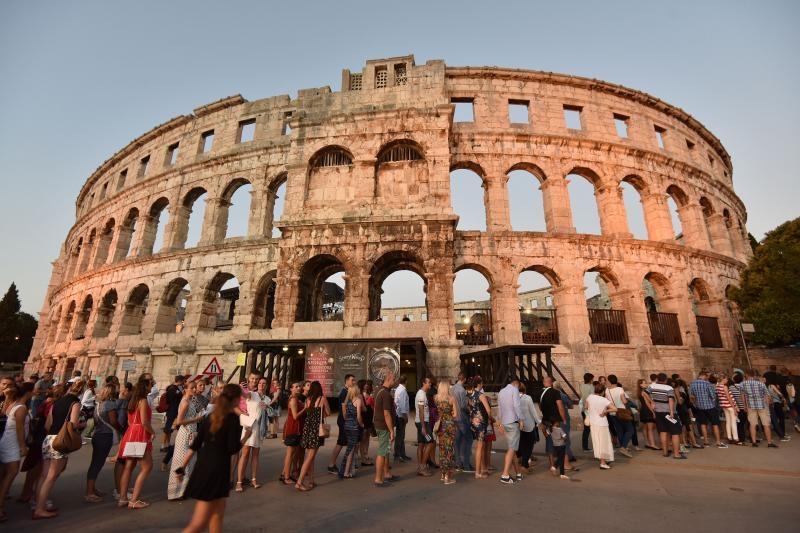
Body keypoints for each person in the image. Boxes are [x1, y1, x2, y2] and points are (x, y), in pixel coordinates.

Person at [178, 384, 251, 533]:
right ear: (237, 399)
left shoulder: (210, 417)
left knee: (217, 515)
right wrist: (246, 437)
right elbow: (232, 449)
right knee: (198, 523)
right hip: (216, 472)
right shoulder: (231, 420)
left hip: (205, 467)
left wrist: (181, 467)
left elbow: (195, 445)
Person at [33, 379, 85, 520]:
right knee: (52, 476)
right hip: (60, 440)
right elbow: (72, 425)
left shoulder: (57, 402)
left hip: (48, 438)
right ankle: (40, 509)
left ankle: (39, 504)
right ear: (81, 391)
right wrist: (81, 425)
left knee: (44, 475)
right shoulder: (75, 404)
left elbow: (48, 424)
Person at [117, 375, 156, 509]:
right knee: (147, 467)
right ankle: (134, 500)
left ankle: (122, 498)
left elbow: (129, 420)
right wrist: (152, 432)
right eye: (151, 383)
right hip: (139, 433)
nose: (152, 386)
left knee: (129, 466)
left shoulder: (133, 399)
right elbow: (145, 421)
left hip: (131, 432)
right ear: (145, 386)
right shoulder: (143, 401)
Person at [85, 383, 121, 503]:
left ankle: (92, 488)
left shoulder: (99, 404)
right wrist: (121, 430)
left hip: (97, 434)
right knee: (97, 463)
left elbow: (95, 421)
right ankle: (89, 492)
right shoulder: (110, 404)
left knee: (95, 462)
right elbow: (113, 421)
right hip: (105, 436)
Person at [168, 381, 203, 500]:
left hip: (191, 432)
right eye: (191, 388)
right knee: (181, 461)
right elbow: (179, 421)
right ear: (186, 389)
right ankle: (176, 492)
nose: (194, 390)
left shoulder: (190, 401)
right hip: (185, 434)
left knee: (189, 462)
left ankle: (183, 490)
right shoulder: (184, 402)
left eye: (194, 388)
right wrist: (195, 419)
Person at [0, 383, 29, 522]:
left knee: (5, 473)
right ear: (27, 393)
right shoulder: (21, 407)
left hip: (6, 440)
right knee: (11, 473)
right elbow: (20, 429)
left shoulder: (12, 404)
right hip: (12, 443)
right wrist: (23, 446)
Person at [295, 381, 330, 491]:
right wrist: (321, 414)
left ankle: (311, 480)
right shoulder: (322, 399)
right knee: (310, 457)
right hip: (316, 430)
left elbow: (307, 412)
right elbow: (328, 412)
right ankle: (299, 482)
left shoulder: (308, 399)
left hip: (308, 429)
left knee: (311, 456)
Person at [236, 375, 269, 491]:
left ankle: (253, 479)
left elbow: (270, 412)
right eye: (260, 383)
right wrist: (240, 388)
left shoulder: (267, 399)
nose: (261, 385)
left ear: (266, 385)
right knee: (244, 454)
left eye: (264, 383)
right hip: (249, 426)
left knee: (256, 455)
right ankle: (239, 482)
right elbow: (244, 395)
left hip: (259, 429)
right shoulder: (252, 394)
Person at [647, 373, 685, 459]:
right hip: (668, 412)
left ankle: (665, 452)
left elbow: (644, 393)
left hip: (658, 412)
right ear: (665, 380)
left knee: (663, 432)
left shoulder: (652, 386)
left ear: (657, 379)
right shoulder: (669, 388)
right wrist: (671, 412)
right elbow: (670, 400)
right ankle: (676, 454)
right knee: (675, 433)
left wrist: (652, 402)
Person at [539, 376, 572, 472]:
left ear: (544, 383)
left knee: (549, 442)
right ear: (551, 383)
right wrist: (564, 419)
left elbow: (540, 407)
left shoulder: (540, 393)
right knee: (562, 440)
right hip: (555, 421)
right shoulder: (556, 392)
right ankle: (566, 464)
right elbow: (560, 406)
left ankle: (551, 465)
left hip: (546, 420)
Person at [327, 374, 356, 473]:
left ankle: (347, 464)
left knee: (343, 442)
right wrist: (347, 420)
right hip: (344, 421)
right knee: (341, 442)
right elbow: (344, 408)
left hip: (345, 421)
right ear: (347, 381)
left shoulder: (347, 391)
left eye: (354, 380)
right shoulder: (344, 392)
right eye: (352, 380)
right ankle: (332, 464)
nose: (354, 382)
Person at [689, 371, 726, 448]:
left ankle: (706, 441)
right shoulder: (707, 384)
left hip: (700, 407)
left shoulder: (692, 384)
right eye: (706, 376)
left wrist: (696, 404)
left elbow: (691, 396)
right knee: (715, 424)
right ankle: (718, 442)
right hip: (710, 406)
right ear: (704, 376)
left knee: (703, 424)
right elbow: (713, 396)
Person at [497, 378, 524, 484]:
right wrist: (521, 419)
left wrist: (499, 422)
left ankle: (518, 473)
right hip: (513, 421)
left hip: (504, 421)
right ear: (516, 384)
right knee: (512, 448)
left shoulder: (501, 391)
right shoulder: (514, 390)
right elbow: (517, 406)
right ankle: (505, 475)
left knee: (511, 449)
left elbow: (499, 408)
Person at [373, 372, 396, 487]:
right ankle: (378, 478)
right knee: (382, 452)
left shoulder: (378, 390)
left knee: (386, 450)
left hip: (379, 424)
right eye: (393, 380)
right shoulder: (386, 394)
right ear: (388, 379)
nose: (395, 382)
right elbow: (386, 413)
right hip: (383, 426)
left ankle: (387, 474)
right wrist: (391, 430)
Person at [741, 369, 776, 447]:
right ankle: (769, 442)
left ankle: (754, 442)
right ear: (754, 375)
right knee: (766, 424)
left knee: (752, 424)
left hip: (751, 406)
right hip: (762, 406)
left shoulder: (743, 384)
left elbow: (743, 396)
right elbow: (766, 396)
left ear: (746, 375)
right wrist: (768, 405)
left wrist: (745, 406)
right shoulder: (761, 384)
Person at [585, 382, 616, 469]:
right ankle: (603, 462)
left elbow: (586, 406)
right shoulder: (604, 400)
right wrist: (605, 411)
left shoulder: (590, 397)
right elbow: (615, 409)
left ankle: (603, 460)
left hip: (593, 423)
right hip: (602, 423)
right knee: (604, 443)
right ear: (602, 392)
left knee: (597, 442)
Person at [281, 382, 306, 484]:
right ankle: (286, 477)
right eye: (295, 387)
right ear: (291, 389)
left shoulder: (296, 398)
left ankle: (285, 474)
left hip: (295, 428)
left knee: (292, 453)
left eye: (299, 386)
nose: (298, 388)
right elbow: (295, 416)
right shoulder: (294, 399)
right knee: (290, 453)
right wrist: (305, 408)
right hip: (293, 428)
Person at [468, 376, 492, 479]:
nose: (482, 384)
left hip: (474, 422)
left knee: (479, 447)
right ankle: (478, 472)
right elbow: (488, 410)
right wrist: (492, 419)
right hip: (481, 423)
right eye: (481, 383)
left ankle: (480, 470)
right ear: (479, 384)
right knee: (480, 447)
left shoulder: (470, 395)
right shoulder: (481, 395)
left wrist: (473, 419)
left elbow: (469, 409)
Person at [434, 380, 458, 484]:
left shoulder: (436, 398)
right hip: (449, 426)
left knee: (442, 449)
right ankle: (448, 477)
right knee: (449, 450)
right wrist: (451, 413)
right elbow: (455, 414)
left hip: (440, 425)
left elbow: (438, 411)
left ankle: (443, 474)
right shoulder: (452, 399)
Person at [605, 375, 634, 458]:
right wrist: (628, 401)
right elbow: (624, 401)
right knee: (630, 430)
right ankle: (623, 447)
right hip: (622, 412)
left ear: (610, 381)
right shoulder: (620, 389)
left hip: (613, 413)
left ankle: (623, 446)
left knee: (620, 431)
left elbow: (607, 402)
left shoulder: (607, 390)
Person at [339, 384, 364, 478]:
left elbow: (344, 415)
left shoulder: (347, 401)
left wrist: (348, 420)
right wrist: (361, 424)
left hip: (347, 426)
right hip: (354, 427)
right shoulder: (358, 400)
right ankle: (346, 472)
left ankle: (345, 470)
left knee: (349, 448)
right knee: (351, 450)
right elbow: (358, 416)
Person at [451, 372, 473, 472]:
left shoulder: (452, 389)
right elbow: (464, 406)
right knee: (468, 440)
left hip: (454, 417)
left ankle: (458, 463)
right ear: (464, 379)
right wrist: (470, 409)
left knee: (457, 441)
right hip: (462, 417)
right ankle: (466, 464)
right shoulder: (462, 390)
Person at [517, 382, 539, 473]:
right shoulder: (527, 398)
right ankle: (524, 465)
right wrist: (539, 422)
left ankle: (521, 459)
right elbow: (533, 411)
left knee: (521, 444)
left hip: (518, 425)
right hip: (529, 425)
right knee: (529, 445)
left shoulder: (514, 398)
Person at [414, 377, 434, 476]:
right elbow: (421, 410)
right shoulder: (421, 395)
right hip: (423, 423)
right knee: (430, 442)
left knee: (421, 443)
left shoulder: (422, 393)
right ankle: (422, 466)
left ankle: (420, 466)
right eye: (429, 382)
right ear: (424, 383)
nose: (430, 384)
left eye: (430, 382)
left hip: (421, 422)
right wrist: (423, 427)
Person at [162, 375, 185, 456]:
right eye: (183, 381)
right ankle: (163, 445)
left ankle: (167, 445)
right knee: (167, 429)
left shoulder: (176, 388)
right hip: (172, 411)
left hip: (174, 411)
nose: (184, 382)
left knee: (170, 430)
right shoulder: (173, 389)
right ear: (180, 380)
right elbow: (172, 399)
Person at [716, 376, 740, 445]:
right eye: (727, 379)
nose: (727, 380)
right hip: (730, 406)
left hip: (724, 405)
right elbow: (729, 397)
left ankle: (729, 437)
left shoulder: (717, 386)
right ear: (723, 379)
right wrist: (735, 408)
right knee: (733, 422)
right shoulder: (724, 387)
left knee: (728, 421)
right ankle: (736, 438)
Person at [393, 374, 411, 462]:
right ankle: (400, 454)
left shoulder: (398, 389)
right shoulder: (403, 391)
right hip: (401, 416)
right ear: (406, 381)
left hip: (398, 415)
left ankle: (399, 454)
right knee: (401, 436)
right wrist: (405, 417)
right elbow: (403, 405)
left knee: (399, 436)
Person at [636, 379, 658, 449]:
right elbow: (648, 403)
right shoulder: (644, 392)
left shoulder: (639, 392)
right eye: (644, 383)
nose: (646, 384)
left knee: (645, 428)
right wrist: (653, 412)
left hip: (643, 411)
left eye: (646, 383)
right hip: (647, 410)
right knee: (650, 429)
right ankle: (653, 444)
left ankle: (647, 442)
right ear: (640, 385)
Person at [766, 375, 789, 442]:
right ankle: (782, 433)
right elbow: (779, 394)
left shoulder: (767, 386)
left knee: (775, 419)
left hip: (773, 404)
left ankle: (780, 433)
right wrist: (783, 398)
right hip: (777, 403)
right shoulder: (772, 386)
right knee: (781, 418)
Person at [358, 379, 375, 467]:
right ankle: (363, 457)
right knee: (363, 438)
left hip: (369, 417)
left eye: (367, 384)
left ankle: (366, 454)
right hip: (364, 417)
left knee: (367, 437)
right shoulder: (361, 395)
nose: (367, 385)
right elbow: (363, 408)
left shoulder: (366, 394)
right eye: (365, 384)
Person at [579, 372, 595, 452]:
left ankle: (584, 446)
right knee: (588, 429)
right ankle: (586, 447)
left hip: (584, 409)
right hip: (589, 409)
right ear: (590, 379)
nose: (593, 380)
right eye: (592, 378)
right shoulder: (590, 386)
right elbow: (591, 398)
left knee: (586, 429)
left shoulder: (582, 386)